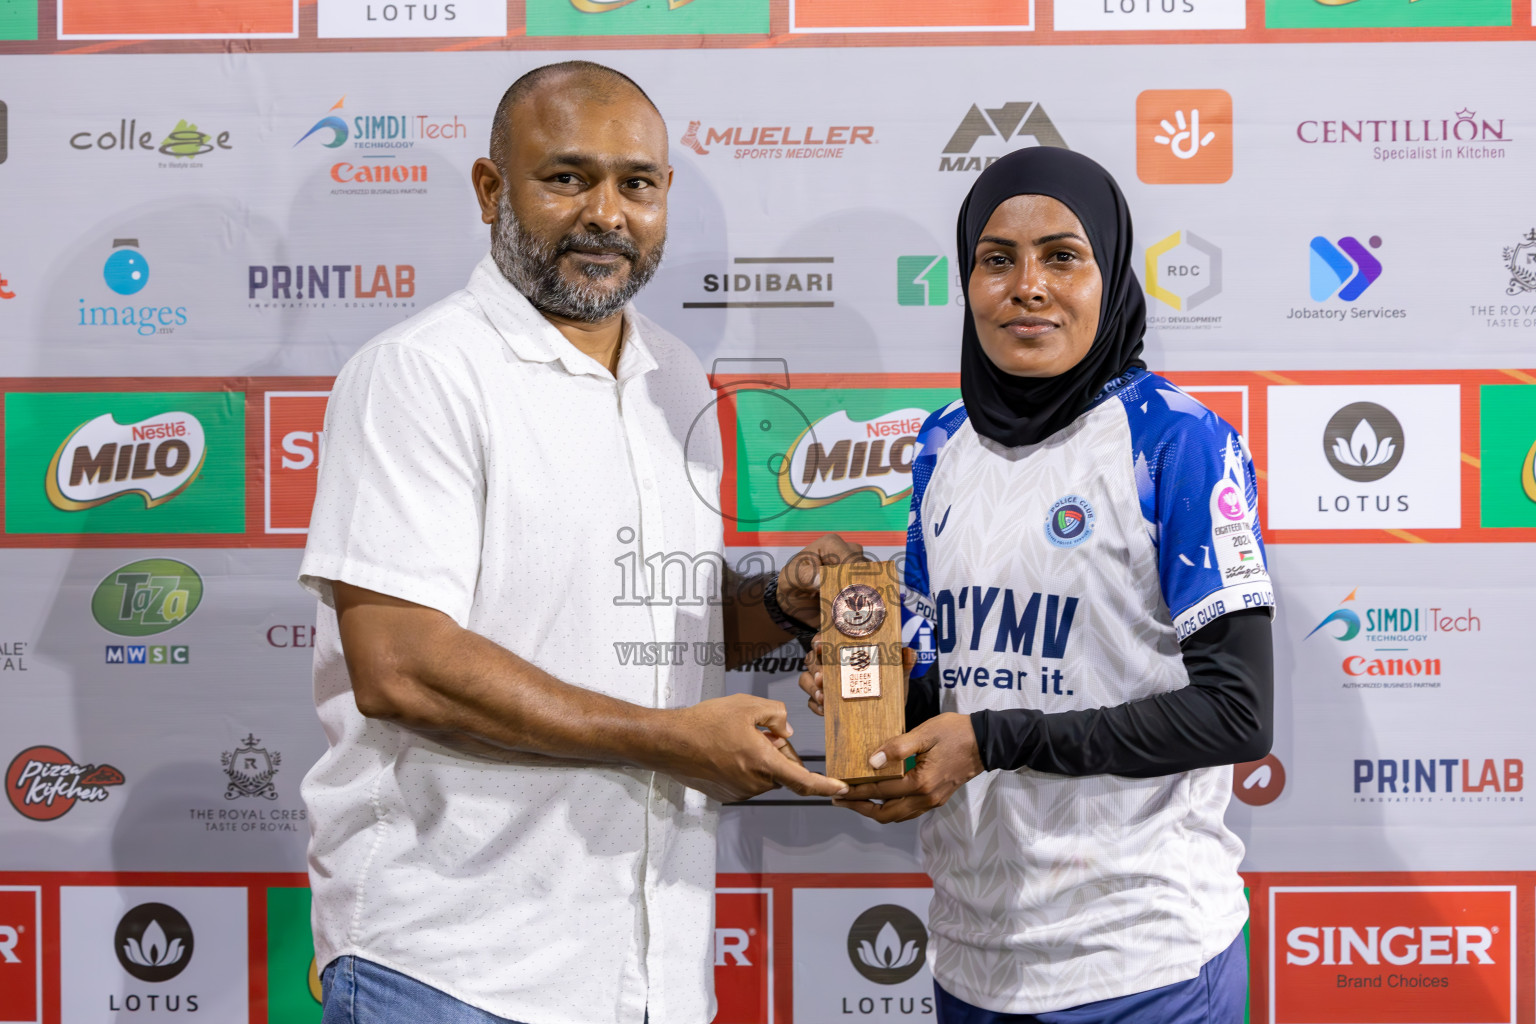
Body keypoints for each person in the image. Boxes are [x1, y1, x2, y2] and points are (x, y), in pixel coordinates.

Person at [298, 61, 852, 1024]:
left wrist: (783, 604)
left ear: (664, 198)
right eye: (567, 178)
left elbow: (646, 621)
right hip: (448, 967)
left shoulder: (675, 377)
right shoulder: (420, 374)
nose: (607, 214)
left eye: (636, 184)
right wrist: (669, 741)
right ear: (489, 189)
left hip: (650, 972)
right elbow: (401, 666)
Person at [800, 147, 1274, 1023]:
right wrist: (865, 688)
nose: (1027, 286)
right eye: (997, 260)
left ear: (1110, 274)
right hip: (974, 957)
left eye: (1062, 256)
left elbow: (1237, 712)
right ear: (967, 281)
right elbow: (955, 673)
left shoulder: (1176, 441)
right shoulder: (944, 442)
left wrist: (991, 740)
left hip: (1141, 959)